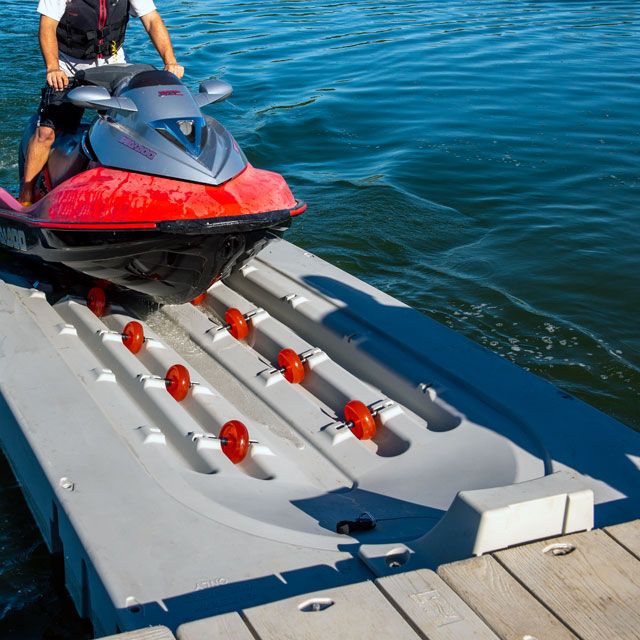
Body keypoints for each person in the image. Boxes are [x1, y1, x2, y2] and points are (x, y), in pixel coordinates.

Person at [19, 0, 184, 205]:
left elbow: (151, 20)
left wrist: (170, 61)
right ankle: (25, 196)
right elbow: (47, 26)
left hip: (113, 66)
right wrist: (53, 67)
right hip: (68, 68)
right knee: (46, 133)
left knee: (135, 129)